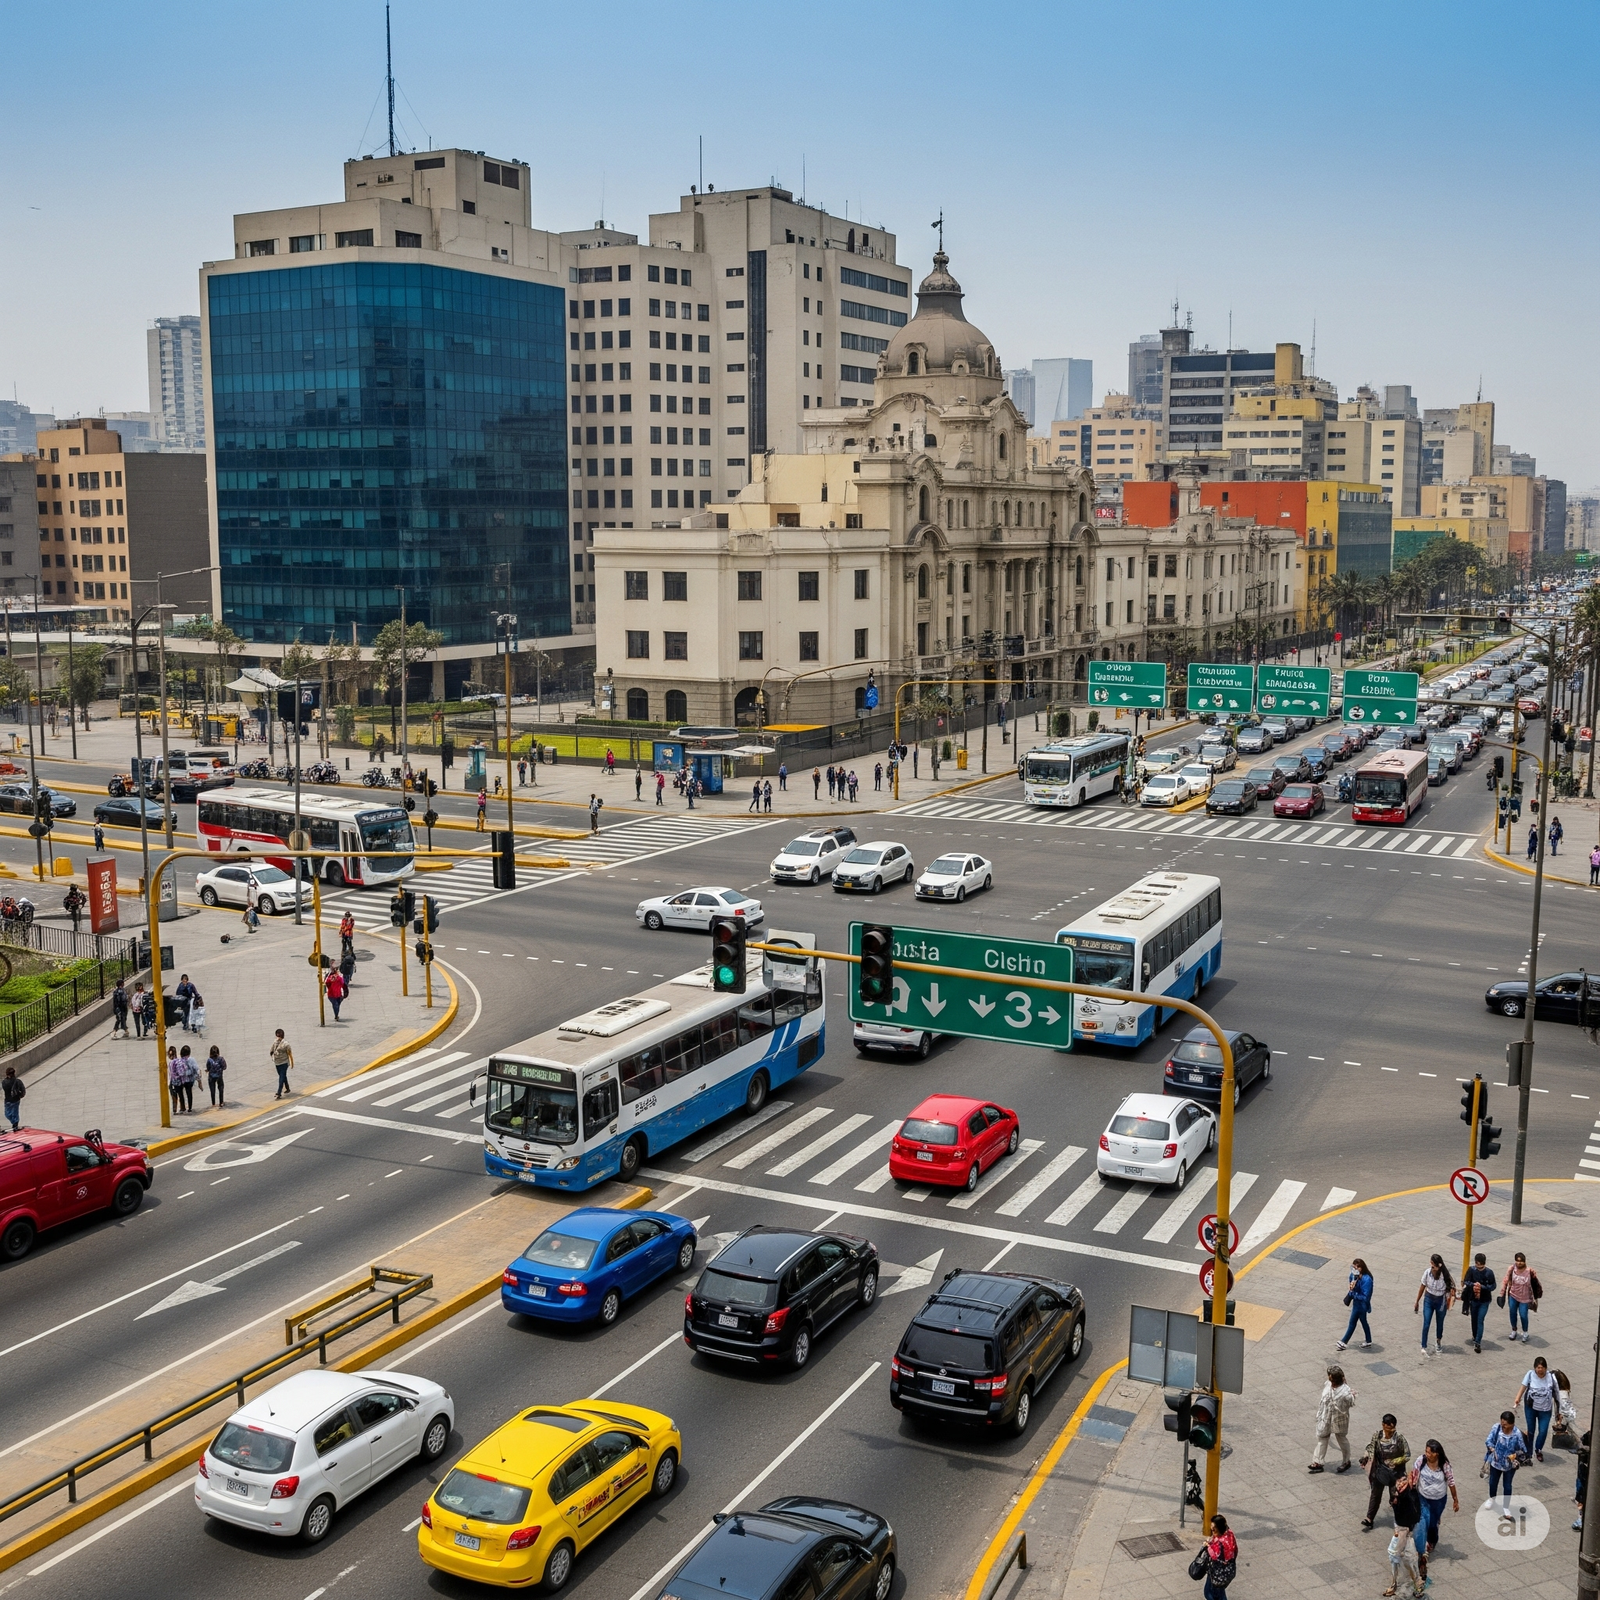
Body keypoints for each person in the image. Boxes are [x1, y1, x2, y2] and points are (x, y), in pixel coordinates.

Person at [1407, 1440, 1457, 1581]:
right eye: (1426, 1451)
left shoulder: (1444, 1466)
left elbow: (1451, 1481)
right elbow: (1414, 1473)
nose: (1427, 1454)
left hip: (1439, 1501)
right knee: (1422, 1523)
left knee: (1432, 1524)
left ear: (1437, 1453)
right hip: (1422, 1498)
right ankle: (1420, 1552)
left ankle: (1433, 1540)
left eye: (1430, 1452)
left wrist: (1455, 1500)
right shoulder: (1421, 1461)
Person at [1362, 1415, 1412, 1530]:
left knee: (1395, 1498)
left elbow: (1407, 1455)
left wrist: (1395, 1461)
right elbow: (1371, 1447)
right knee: (1375, 1495)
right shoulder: (1377, 1436)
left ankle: (1401, 1522)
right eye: (1388, 1428)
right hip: (1380, 1472)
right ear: (1383, 1425)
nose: (1390, 1431)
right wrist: (1366, 1457)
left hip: (1396, 1474)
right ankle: (1369, 1518)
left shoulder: (1400, 1439)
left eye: (1392, 1429)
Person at [1309, 1363, 1356, 1473]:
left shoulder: (1345, 1392)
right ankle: (1318, 1462)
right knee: (1322, 1438)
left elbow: (1350, 1402)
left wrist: (1351, 1394)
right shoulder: (1328, 1385)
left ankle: (1346, 1461)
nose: (1328, 1377)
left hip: (1339, 1419)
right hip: (1325, 1416)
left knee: (1341, 1439)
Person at [1386, 1477, 1424, 1599]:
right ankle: (1395, 1584)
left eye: (1403, 1483)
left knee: (1407, 1560)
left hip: (1405, 1534)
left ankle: (1416, 1585)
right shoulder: (1406, 1496)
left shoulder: (1407, 1499)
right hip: (1401, 1532)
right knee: (1398, 1559)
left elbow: (1410, 1517)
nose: (1400, 1484)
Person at [1516, 1356, 1558, 1462]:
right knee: (1531, 1430)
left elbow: (1557, 1394)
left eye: (1542, 1367)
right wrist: (1517, 1398)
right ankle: (1528, 1452)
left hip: (1545, 1410)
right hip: (1531, 1408)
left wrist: (1560, 1411)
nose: (1540, 1370)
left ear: (1546, 1368)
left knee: (1543, 1431)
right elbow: (1523, 1386)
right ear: (1535, 1368)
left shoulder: (1551, 1377)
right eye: (1538, 1367)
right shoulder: (1530, 1374)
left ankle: (1538, 1449)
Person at [1413, 1252, 1455, 1356]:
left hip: (1441, 1301)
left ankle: (1438, 1341)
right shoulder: (1427, 1272)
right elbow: (1422, 1287)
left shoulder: (1445, 1275)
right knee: (1426, 1322)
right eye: (1432, 1265)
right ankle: (1423, 1345)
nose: (1434, 1268)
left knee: (1440, 1323)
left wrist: (1450, 1300)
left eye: (1436, 1266)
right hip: (1429, 1299)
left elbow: (1451, 1288)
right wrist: (1417, 1301)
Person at [1484, 1410, 1528, 1502]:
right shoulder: (1496, 1428)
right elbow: (1489, 1440)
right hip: (1495, 1462)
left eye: (1505, 1425)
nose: (1503, 1426)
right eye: (1502, 1423)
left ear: (1512, 1424)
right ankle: (1492, 1499)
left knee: (1507, 1485)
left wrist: (1514, 1456)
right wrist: (1492, 1449)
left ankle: (1506, 1507)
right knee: (1492, 1483)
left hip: (1509, 1465)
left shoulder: (1517, 1434)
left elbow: (1523, 1450)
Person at [1338, 1257, 1374, 1350]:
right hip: (1357, 1303)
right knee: (1363, 1322)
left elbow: (1366, 1297)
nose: (1355, 1269)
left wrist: (1353, 1294)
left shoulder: (1367, 1280)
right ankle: (1368, 1340)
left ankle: (1343, 1342)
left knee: (1352, 1322)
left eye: (1358, 1267)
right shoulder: (1354, 1275)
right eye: (1354, 1267)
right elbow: (1351, 1283)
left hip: (1361, 1305)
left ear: (1362, 1268)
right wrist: (1352, 1285)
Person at [1462, 1250, 1495, 1351]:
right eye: (1477, 1265)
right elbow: (1466, 1281)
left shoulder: (1489, 1273)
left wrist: (1483, 1287)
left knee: (1480, 1320)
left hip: (1484, 1300)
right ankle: (1475, 1335)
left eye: (1480, 1266)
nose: (1478, 1267)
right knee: (1474, 1319)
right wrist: (1473, 1285)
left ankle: (1478, 1342)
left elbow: (1493, 1286)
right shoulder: (1471, 1270)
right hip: (1474, 1300)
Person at [1501, 1250, 1538, 1340]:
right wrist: (1502, 1294)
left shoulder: (1530, 1271)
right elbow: (1505, 1280)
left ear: (1524, 1261)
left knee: (1523, 1315)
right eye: (1517, 1260)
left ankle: (1525, 1332)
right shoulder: (1512, 1269)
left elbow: (1535, 1284)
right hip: (1513, 1295)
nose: (1519, 1263)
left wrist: (1536, 1297)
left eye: (1521, 1261)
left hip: (1525, 1298)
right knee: (1512, 1312)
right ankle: (1514, 1330)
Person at [1201, 1514, 1235, 1600]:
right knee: (1220, 1592)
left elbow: (1214, 1555)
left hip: (1217, 1572)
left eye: (1213, 1529)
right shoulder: (1229, 1534)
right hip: (1229, 1570)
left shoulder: (1220, 1542)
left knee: (1208, 1592)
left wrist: (1207, 1545)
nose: (1212, 1530)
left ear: (1219, 1528)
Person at [270, 1029, 294, 1099]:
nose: (278, 1037)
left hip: (284, 1062)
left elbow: (290, 1054)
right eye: (277, 1035)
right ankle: (287, 1087)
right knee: (282, 1076)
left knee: (281, 1077)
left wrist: (292, 1063)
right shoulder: (275, 1042)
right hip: (277, 1062)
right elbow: (272, 1049)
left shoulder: (286, 1044)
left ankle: (279, 1092)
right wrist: (272, 1055)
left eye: (279, 1036)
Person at [1, 1066, 23, 1132]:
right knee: (7, 1114)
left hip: (15, 1100)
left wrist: (19, 1096)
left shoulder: (17, 1081)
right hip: (8, 1100)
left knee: (14, 1113)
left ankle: (15, 1124)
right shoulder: (4, 1082)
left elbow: (23, 1090)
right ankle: (14, 1123)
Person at [178, 1046, 199, 1113]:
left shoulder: (180, 1060)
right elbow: (196, 1068)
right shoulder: (191, 1059)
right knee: (189, 1093)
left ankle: (182, 1107)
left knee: (181, 1093)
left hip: (182, 1079)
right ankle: (190, 1108)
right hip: (190, 1080)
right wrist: (198, 1078)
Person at [167, 1047, 185, 1114]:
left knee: (174, 1096)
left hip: (173, 1082)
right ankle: (182, 1108)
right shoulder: (179, 1061)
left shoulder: (171, 1062)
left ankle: (174, 1110)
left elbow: (171, 1074)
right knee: (181, 1095)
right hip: (179, 1081)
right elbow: (182, 1072)